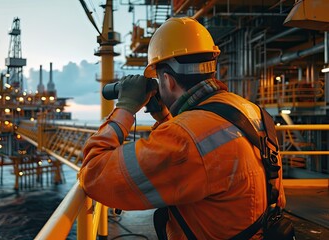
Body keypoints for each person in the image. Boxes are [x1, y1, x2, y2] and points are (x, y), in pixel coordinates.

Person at [78, 17, 286, 239]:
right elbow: (196, 155)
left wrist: (126, 107)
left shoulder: (185, 138)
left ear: (167, 80)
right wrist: (162, 114)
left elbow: (94, 174)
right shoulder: (250, 110)